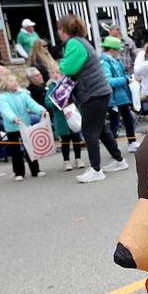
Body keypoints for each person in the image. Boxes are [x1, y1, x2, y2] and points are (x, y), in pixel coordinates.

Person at [57, 14, 128, 183]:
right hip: (99, 91)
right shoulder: (81, 41)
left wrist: (59, 64)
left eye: (59, 29)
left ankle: (96, 169)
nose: (58, 32)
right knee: (101, 129)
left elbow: (68, 67)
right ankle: (119, 160)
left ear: (64, 29)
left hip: (92, 92)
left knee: (89, 131)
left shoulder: (74, 43)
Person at [0, 73, 48, 181]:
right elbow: (6, 110)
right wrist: (13, 118)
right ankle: (19, 172)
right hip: (12, 127)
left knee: (30, 149)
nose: (15, 83)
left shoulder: (23, 94)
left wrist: (41, 110)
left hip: (25, 125)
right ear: (5, 84)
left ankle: (36, 170)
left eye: (15, 81)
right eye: (11, 81)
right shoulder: (2, 97)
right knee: (16, 151)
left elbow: (32, 104)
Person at [100, 36, 138, 153]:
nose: (119, 52)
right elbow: (108, 81)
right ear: (112, 49)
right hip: (113, 98)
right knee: (114, 124)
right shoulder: (104, 62)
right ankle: (114, 148)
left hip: (121, 97)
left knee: (128, 119)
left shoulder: (114, 60)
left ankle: (131, 142)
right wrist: (125, 80)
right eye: (118, 50)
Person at [45, 79, 83, 171]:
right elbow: (48, 102)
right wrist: (58, 102)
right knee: (65, 141)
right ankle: (66, 161)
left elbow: (77, 97)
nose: (57, 75)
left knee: (76, 138)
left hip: (73, 115)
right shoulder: (52, 87)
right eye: (54, 72)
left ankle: (78, 159)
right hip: (61, 118)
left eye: (58, 72)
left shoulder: (69, 84)